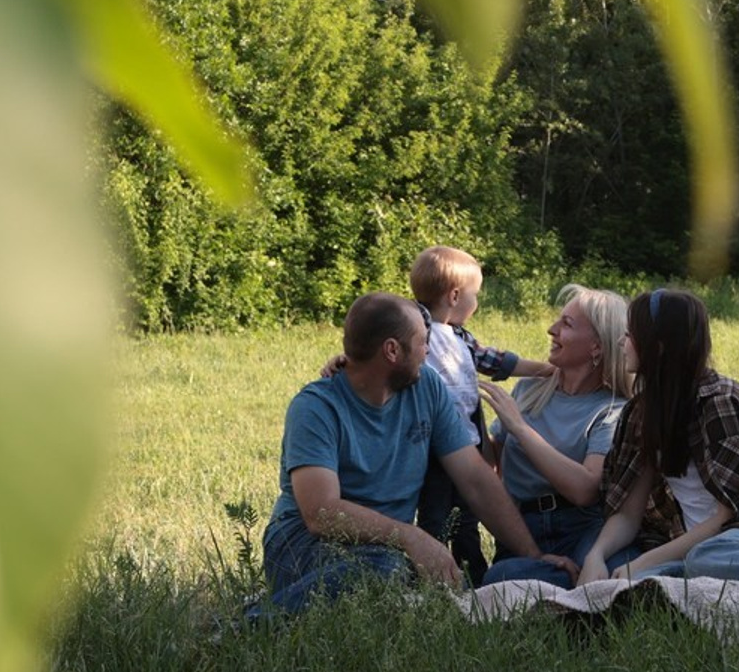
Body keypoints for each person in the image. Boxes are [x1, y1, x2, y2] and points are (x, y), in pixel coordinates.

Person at [261, 293, 576, 609]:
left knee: (429, 585)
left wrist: (532, 554)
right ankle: (252, 622)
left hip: (388, 548)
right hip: (304, 544)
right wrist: (411, 537)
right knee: (387, 571)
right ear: (392, 350)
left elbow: (475, 479)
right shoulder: (315, 407)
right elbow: (321, 513)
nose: (428, 351)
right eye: (423, 341)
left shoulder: (427, 386)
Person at [577, 288, 739, 589]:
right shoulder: (641, 413)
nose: (621, 342)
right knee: (631, 583)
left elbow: (730, 515)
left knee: (706, 560)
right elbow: (629, 514)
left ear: (657, 347)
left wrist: (644, 561)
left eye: (630, 335)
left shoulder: (720, 404)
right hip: (688, 547)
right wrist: (596, 556)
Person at [477, 283, 640, 588]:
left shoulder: (612, 409)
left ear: (597, 346)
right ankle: (572, 584)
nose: (552, 330)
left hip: (581, 526)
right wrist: (467, 417)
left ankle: (569, 583)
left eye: (566, 324)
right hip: (522, 526)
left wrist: (521, 429)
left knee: (621, 568)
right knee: (500, 578)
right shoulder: (528, 390)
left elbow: (585, 490)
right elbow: (490, 467)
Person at [410, 245, 553, 584]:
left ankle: (472, 573)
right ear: (455, 295)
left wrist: (547, 370)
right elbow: (380, 336)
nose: (477, 303)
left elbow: (498, 362)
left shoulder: (461, 338)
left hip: (467, 445)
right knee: (435, 514)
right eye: (476, 295)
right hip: (430, 447)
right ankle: (429, 575)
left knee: (467, 515)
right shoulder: (418, 326)